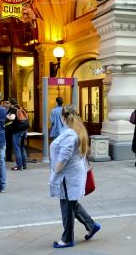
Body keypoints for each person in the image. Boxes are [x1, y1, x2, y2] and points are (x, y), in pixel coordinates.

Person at [49, 105, 101, 248]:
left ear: (63, 117)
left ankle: (67, 239)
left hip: (67, 175)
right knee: (72, 203)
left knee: (67, 206)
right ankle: (92, 225)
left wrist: (56, 172)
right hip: (73, 173)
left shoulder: (70, 134)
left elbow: (64, 155)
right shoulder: (77, 130)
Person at [8, 99, 28, 170]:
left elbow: (12, 117)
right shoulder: (21, 108)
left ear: (11, 103)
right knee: (22, 147)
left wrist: (7, 116)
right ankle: (24, 164)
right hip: (24, 130)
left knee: (17, 148)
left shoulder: (13, 109)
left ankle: (19, 165)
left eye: (9, 103)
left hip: (17, 131)